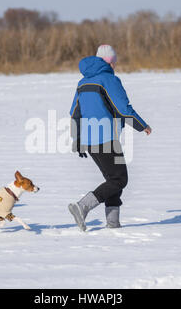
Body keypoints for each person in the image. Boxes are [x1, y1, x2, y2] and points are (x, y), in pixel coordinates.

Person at [68, 44, 151, 231]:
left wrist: (78, 139)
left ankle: (113, 223)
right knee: (119, 180)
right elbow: (123, 108)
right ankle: (82, 207)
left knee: (112, 180)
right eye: (114, 62)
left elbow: (74, 113)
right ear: (110, 62)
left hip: (89, 141)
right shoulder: (109, 79)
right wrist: (142, 125)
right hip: (105, 138)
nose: (115, 65)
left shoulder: (83, 82)